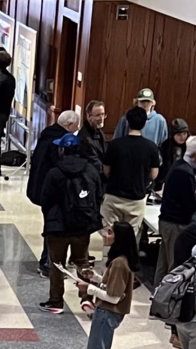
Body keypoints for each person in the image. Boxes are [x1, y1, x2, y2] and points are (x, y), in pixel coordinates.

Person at [39, 134, 103, 313]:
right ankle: (86, 298)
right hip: (82, 226)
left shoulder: (54, 172)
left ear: (61, 150)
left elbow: (45, 199)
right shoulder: (90, 170)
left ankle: (56, 301)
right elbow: (98, 196)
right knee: (82, 262)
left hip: (57, 227)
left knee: (57, 264)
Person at [77, 224, 137, 349]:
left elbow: (114, 297)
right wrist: (95, 278)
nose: (104, 235)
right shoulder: (121, 260)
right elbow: (111, 286)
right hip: (107, 313)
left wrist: (88, 289)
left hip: (107, 312)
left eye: (110, 232)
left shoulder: (119, 264)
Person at [27, 110, 80, 274]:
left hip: (39, 189)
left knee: (52, 226)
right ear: (69, 125)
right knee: (54, 228)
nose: (76, 129)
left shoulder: (46, 134)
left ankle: (49, 262)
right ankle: (48, 264)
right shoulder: (59, 142)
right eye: (76, 126)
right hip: (52, 193)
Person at [155, 135, 196, 286]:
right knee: (175, 266)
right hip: (176, 224)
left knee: (164, 263)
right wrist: (195, 197)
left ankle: (158, 294)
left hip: (168, 221)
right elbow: (189, 205)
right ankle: (168, 300)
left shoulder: (180, 165)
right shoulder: (185, 172)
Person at [102, 106, 161, 239]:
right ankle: (127, 260)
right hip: (136, 199)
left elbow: (106, 171)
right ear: (144, 124)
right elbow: (154, 174)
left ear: (127, 122)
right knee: (131, 239)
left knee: (110, 235)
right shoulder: (151, 147)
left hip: (113, 196)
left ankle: (110, 259)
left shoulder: (115, 144)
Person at [78, 100, 109, 175]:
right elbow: (92, 162)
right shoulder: (84, 138)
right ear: (89, 116)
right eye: (98, 115)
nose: (101, 118)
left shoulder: (99, 131)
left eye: (103, 114)